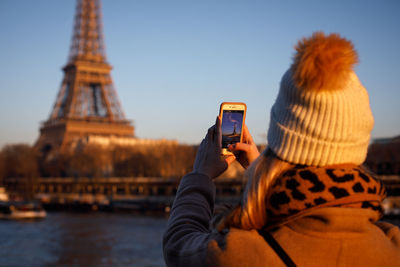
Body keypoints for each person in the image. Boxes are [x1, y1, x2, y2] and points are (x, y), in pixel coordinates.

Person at [163, 32, 400, 267]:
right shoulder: (391, 244)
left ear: (281, 143)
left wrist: (200, 176)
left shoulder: (241, 254)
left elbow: (178, 245)